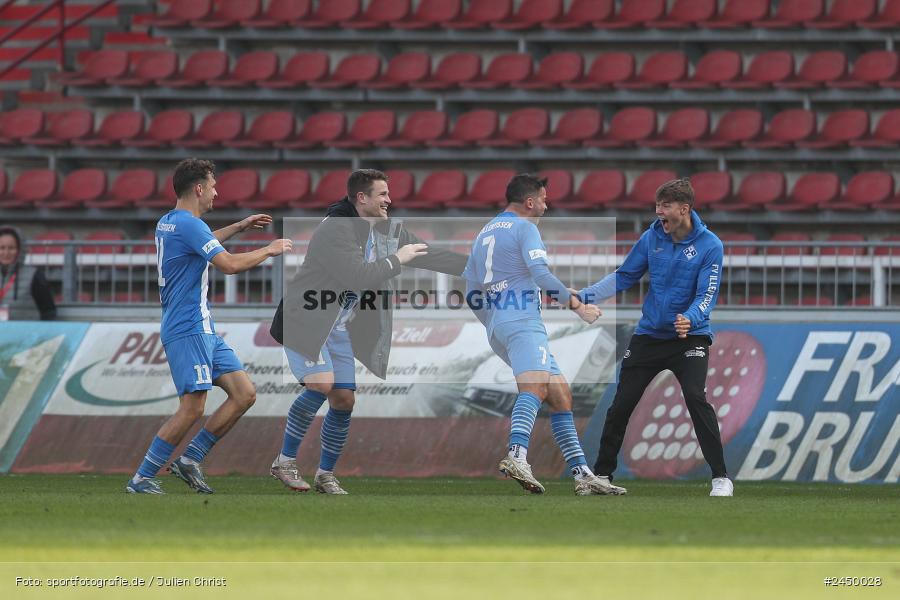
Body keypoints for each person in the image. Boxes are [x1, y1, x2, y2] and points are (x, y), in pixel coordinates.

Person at [269, 169, 467, 494]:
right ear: (362, 198)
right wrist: (397, 260)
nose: (389, 200)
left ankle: (325, 475)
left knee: (344, 399)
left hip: (337, 326)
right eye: (383, 194)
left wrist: (480, 268)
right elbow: (357, 276)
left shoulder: (385, 229)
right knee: (321, 384)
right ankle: (284, 461)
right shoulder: (335, 229)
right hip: (306, 320)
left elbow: (427, 253)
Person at [127, 158, 293, 494]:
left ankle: (190, 459)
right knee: (192, 408)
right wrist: (268, 250)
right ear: (199, 188)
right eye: (214, 187)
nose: (217, 193)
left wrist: (239, 226)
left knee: (244, 394)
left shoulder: (170, 222)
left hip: (200, 326)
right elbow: (228, 264)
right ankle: (141, 478)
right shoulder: (190, 226)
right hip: (188, 327)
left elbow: (202, 241)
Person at [462, 173, 627, 496]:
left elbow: (471, 292)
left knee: (560, 396)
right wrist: (577, 306)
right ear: (529, 202)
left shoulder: (484, 232)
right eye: (543, 199)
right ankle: (517, 456)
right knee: (535, 387)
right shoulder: (526, 228)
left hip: (501, 324)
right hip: (523, 322)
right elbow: (540, 274)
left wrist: (495, 322)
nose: (546, 205)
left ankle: (582, 474)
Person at [577, 178, 733, 497]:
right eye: (657, 205)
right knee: (621, 405)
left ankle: (721, 478)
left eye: (665, 206)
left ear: (684, 209)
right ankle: (602, 476)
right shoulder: (651, 238)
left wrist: (690, 318)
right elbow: (625, 276)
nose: (659, 212)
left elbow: (707, 295)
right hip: (649, 336)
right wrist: (585, 296)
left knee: (695, 398)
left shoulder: (711, 245)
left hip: (690, 337)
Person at [0, 226, 56, 321]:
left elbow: (48, 312)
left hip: (27, 330)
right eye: (2, 248)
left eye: (11, 248)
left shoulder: (34, 276)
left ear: (20, 250)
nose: (6, 253)